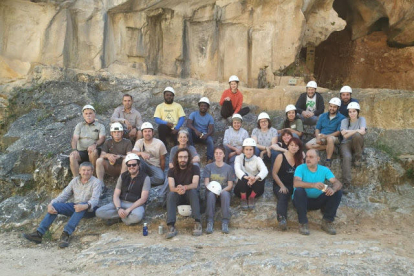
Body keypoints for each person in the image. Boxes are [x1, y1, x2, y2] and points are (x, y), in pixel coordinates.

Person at [23, 162, 100, 248]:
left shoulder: (96, 182)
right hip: (76, 206)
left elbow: (95, 200)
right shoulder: (75, 181)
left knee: (81, 205)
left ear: (92, 171)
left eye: (88, 170)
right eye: (84, 170)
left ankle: (66, 234)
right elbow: (64, 195)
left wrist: (85, 206)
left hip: (89, 209)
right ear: (79, 171)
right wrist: (51, 204)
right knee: (55, 206)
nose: (86, 172)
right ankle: (39, 234)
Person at [293, 149, 343, 235]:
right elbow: (296, 183)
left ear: (318, 159)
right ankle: (303, 223)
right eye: (307, 157)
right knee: (299, 190)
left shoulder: (324, 170)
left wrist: (333, 189)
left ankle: (327, 222)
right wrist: (313, 185)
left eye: (311, 157)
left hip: (318, 200)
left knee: (338, 192)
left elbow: (337, 183)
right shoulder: (300, 168)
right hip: (301, 201)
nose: (308, 159)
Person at [96, 153, 150, 225]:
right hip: (121, 202)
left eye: (134, 165)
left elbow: (143, 199)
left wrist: (128, 210)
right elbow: (116, 195)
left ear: (138, 165)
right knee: (99, 212)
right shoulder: (123, 176)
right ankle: (123, 217)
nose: (131, 167)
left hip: (135, 204)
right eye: (129, 165)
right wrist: (118, 208)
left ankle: (118, 218)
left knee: (137, 216)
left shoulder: (145, 178)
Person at [166, 148, 202, 239]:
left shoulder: (195, 168)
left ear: (189, 158)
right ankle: (171, 226)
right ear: (177, 159)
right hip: (178, 195)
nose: (183, 159)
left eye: (185, 157)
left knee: (193, 191)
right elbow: (171, 187)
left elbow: (195, 184)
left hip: (189, 195)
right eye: (180, 157)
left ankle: (197, 223)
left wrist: (184, 187)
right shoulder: (171, 170)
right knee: (171, 194)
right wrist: (178, 189)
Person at [158, 129, 200, 203]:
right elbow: (171, 164)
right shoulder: (174, 149)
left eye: (184, 137)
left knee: (196, 165)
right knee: (170, 173)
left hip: (188, 169)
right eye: (181, 137)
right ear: (178, 139)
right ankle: (162, 196)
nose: (182, 139)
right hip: (177, 169)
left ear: (187, 139)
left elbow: (197, 158)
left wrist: (187, 163)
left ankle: (197, 191)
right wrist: (178, 166)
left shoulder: (191, 148)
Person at [272, 137, 303, 230]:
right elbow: (274, 173)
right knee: (283, 195)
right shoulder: (281, 156)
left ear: (299, 148)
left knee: (301, 195)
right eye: (291, 145)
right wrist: (282, 186)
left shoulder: (300, 159)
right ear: (288, 146)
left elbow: (302, 174)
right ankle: (282, 219)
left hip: (294, 184)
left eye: (296, 146)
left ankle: (303, 222)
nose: (294, 147)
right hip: (280, 184)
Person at [306, 97, 345, 167]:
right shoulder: (323, 116)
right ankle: (330, 147)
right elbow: (317, 128)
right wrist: (318, 137)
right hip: (321, 136)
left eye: (334, 107)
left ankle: (328, 160)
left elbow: (338, 132)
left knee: (330, 139)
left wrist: (326, 136)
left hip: (334, 137)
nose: (332, 108)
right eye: (331, 106)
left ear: (338, 108)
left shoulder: (342, 118)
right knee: (308, 145)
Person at [204, 146, 235, 234]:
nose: (218, 155)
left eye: (220, 153)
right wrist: (214, 190)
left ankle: (225, 222)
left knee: (225, 194)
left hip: (224, 190)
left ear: (224, 155)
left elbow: (230, 185)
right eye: (216, 153)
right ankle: (210, 222)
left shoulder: (228, 168)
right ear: (214, 155)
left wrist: (220, 192)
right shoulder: (208, 167)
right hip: (211, 190)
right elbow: (206, 183)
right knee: (210, 195)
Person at [69, 105, 105, 177]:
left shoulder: (100, 126)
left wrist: (95, 145)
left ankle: (94, 176)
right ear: (83, 115)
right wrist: (74, 149)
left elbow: (102, 138)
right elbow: (75, 138)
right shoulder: (79, 125)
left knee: (94, 152)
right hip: (81, 151)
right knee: (72, 156)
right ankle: (76, 179)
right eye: (86, 114)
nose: (88, 115)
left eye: (90, 113)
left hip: (93, 149)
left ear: (94, 114)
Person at [234, 138, 268, 209]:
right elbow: (237, 169)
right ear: (243, 150)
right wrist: (247, 177)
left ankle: (251, 197)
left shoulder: (257, 159)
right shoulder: (238, 158)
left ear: (254, 150)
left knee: (262, 177)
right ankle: (243, 198)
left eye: (250, 149)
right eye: (246, 149)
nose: (248, 152)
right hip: (241, 189)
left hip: (254, 188)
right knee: (242, 176)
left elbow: (265, 170)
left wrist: (255, 178)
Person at [96, 122, 132, 188]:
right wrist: (108, 156)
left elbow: (130, 157)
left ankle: (121, 182)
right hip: (111, 166)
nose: (117, 134)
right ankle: (100, 184)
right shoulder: (108, 142)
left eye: (119, 132)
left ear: (122, 133)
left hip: (122, 167)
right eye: (114, 132)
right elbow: (102, 155)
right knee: (99, 160)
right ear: (111, 133)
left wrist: (120, 156)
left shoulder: (127, 142)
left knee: (126, 160)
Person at [340, 102, 366, 191]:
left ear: (358, 112)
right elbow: (345, 136)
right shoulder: (344, 121)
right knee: (347, 158)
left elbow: (362, 132)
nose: (352, 113)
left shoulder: (362, 119)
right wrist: (357, 130)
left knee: (357, 136)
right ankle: (346, 184)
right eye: (350, 112)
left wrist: (349, 131)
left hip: (357, 142)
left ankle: (358, 157)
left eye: (354, 111)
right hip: (346, 143)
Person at [187, 97, 215, 163]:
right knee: (188, 131)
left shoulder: (210, 117)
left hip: (204, 135)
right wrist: (195, 130)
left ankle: (209, 159)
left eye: (205, 106)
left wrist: (206, 135)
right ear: (199, 106)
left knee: (210, 140)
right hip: (195, 134)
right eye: (202, 105)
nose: (203, 107)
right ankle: (192, 152)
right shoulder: (193, 114)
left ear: (207, 107)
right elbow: (188, 124)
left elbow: (211, 129)